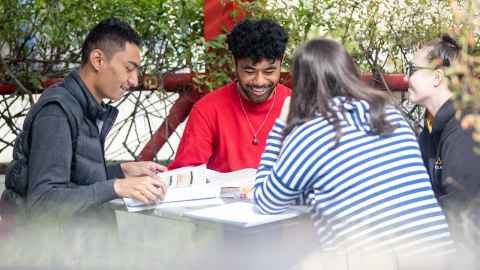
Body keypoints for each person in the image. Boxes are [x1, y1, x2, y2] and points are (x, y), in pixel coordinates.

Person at [253, 38, 455, 265]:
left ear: (302, 83)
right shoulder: (389, 115)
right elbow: (348, 183)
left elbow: (264, 201)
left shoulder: (310, 133)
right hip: (441, 257)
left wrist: (280, 126)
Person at [0, 17, 167, 266]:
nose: (134, 80)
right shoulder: (57, 111)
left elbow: (71, 176)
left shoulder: (84, 106)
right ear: (98, 60)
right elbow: (44, 201)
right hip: (47, 257)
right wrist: (117, 187)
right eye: (129, 68)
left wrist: (120, 171)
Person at [168, 19, 291, 172]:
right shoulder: (207, 109)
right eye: (249, 71)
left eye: (269, 72)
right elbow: (186, 173)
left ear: (282, 61)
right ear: (235, 63)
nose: (259, 81)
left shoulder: (300, 107)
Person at [409, 34, 479, 264]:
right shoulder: (431, 128)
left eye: (412, 69)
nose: (404, 77)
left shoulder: (466, 131)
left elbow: (466, 223)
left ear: (437, 77)